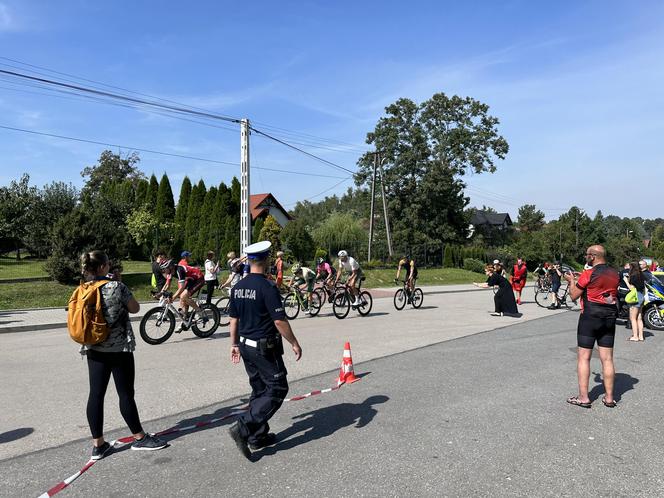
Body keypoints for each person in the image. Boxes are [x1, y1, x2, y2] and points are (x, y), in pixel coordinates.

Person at [80, 250, 167, 460]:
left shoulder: (83, 288)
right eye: (108, 263)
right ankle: (139, 438)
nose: (110, 266)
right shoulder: (116, 287)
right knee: (126, 393)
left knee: (96, 395)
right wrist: (119, 284)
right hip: (119, 349)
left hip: (94, 349)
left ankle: (98, 445)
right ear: (101, 267)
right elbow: (135, 308)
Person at [227, 241, 302, 459]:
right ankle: (243, 427)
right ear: (267, 260)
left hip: (245, 345)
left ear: (249, 261)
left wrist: (233, 345)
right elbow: (279, 321)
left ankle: (257, 437)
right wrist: (294, 342)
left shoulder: (238, 287)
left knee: (260, 389)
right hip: (264, 348)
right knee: (277, 388)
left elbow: (233, 319)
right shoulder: (268, 287)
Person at [565, 245, 620, 409]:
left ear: (593, 256)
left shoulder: (589, 273)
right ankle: (609, 398)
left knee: (584, 357)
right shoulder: (615, 273)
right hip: (609, 318)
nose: (585, 257)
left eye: (587, 255)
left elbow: (574, 295)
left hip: (590, 318)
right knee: (608, 359)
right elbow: (601, 286)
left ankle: (583, 398)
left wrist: (572, 281)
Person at [160, 258, 205, 331]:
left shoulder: (179, 270)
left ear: (170, 267)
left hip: (199, 278)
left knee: (183, 296)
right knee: (182, 299)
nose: (163, 271)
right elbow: (167, 285)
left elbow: (181, 288)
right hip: (191, 279)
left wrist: (173, 298)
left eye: (164, 269)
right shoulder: (170, 272)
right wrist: (160, 294)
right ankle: (184, 321)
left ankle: (200, 313)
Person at [625, 261, 645, 341]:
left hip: (635, 297)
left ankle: (635, 336)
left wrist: (626, 281)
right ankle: (641, 336)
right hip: (641, 296)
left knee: (632, 318)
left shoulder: (633, 276)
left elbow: (632, 288)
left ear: (632, 267)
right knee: (639, 318)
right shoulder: (642, 275)